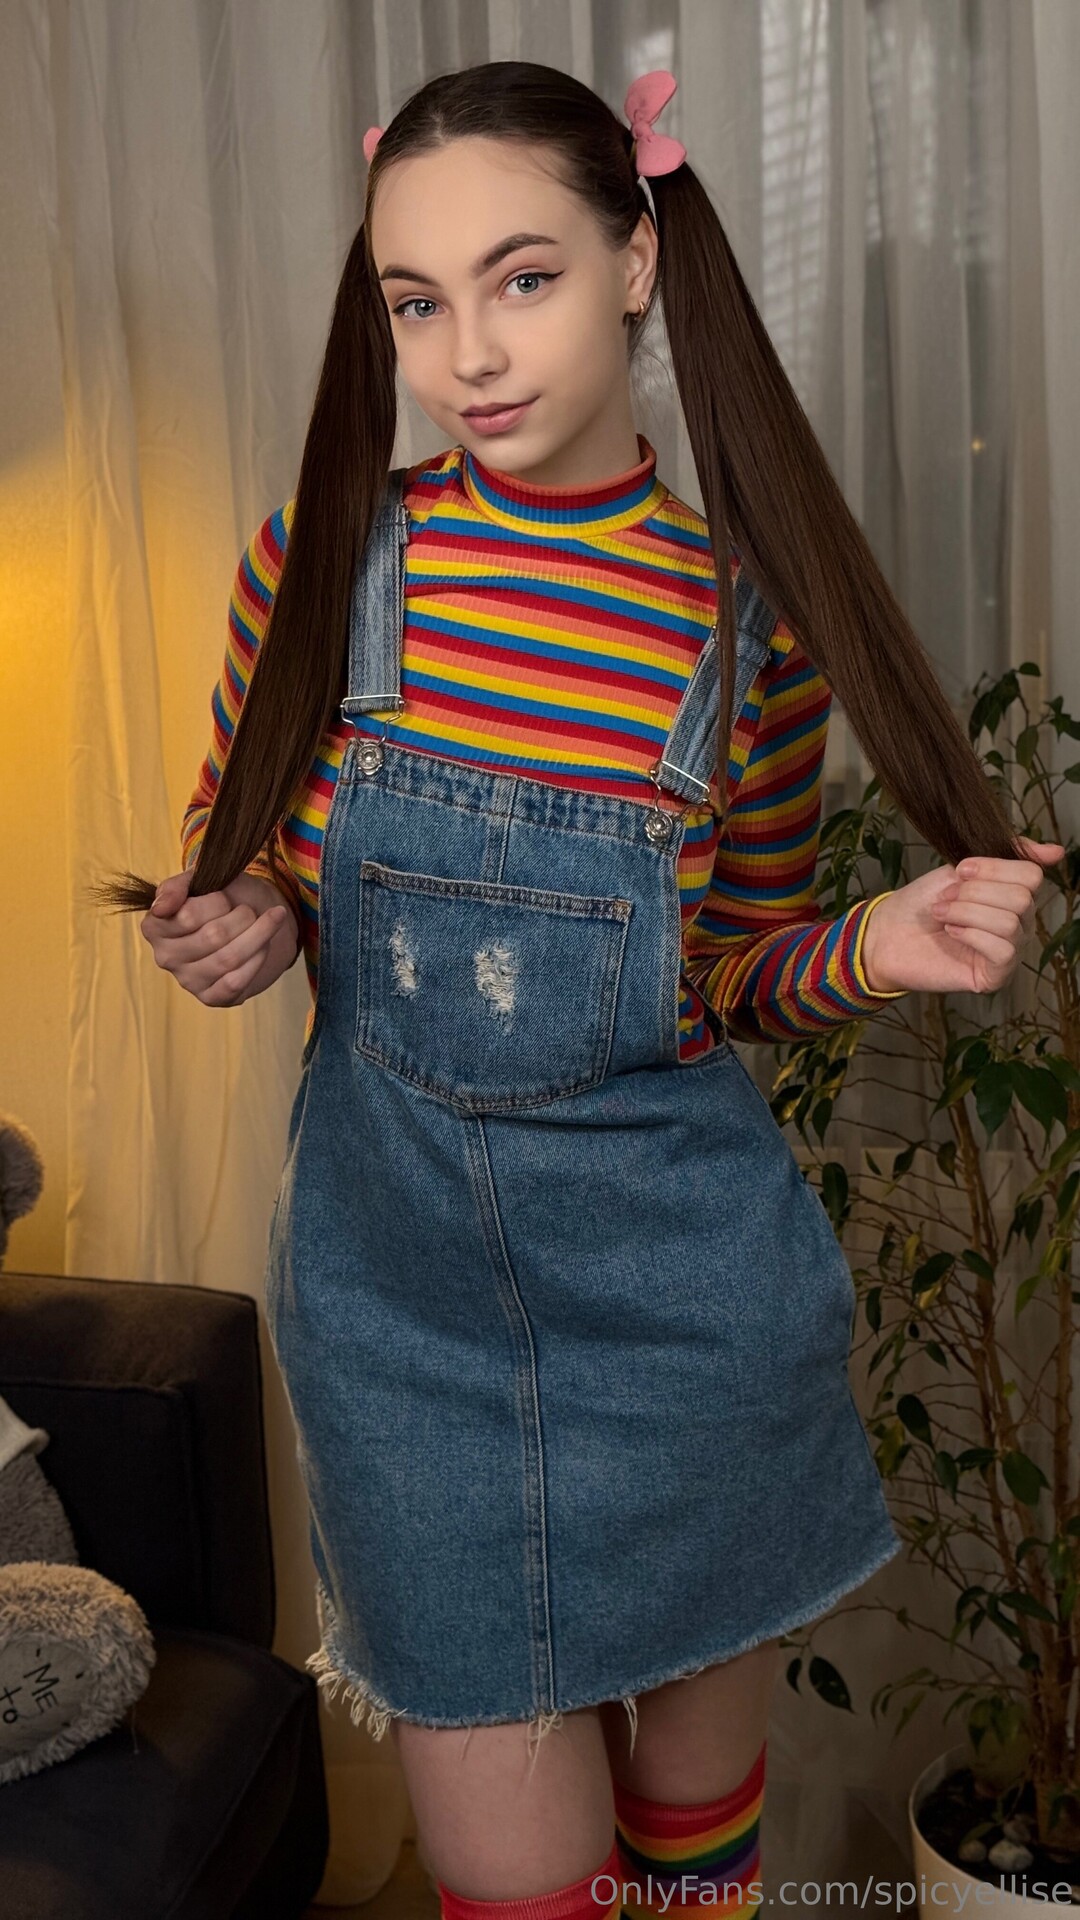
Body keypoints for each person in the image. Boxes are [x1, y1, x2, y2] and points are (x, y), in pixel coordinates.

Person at [93, 61, 1061, 1920]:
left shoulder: (744, 623)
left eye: (521, 278)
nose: (467, 353)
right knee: (513, 1881)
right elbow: (255, 870)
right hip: (406, 1324)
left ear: (635, 262)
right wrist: (244, 929)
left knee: (695, 1863)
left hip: (683, 1315)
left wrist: (880, 945)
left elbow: (729, 980)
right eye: (416, 301)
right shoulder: (319, 564)